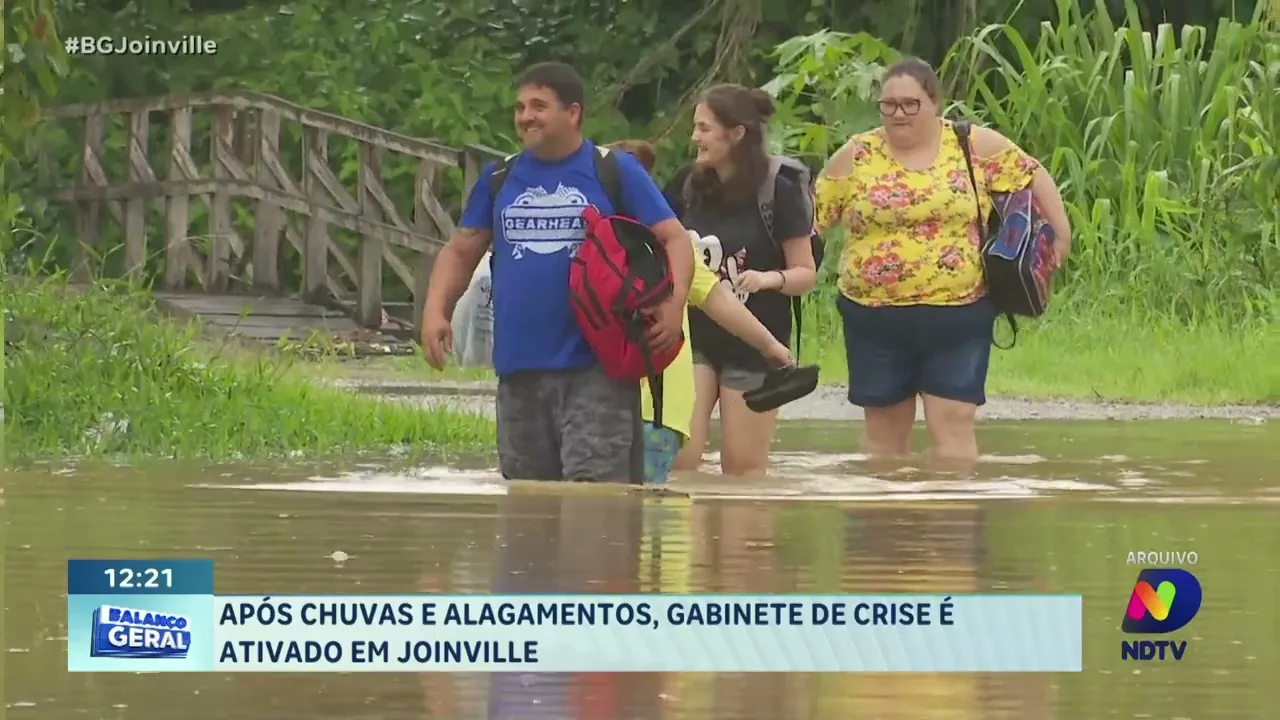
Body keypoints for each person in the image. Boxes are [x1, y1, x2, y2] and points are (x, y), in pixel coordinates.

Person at [420, 62, 695, 483]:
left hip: (596, 369)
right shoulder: (499, 177)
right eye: (520, 107)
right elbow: (460, 250)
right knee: (528, 509)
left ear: (573, 113)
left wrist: (673, 307)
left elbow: (673, 238)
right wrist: (435, 311)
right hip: (518, 372)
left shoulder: (615, 171)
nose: (525, 116)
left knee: (595, 507)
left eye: (538, 106)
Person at [814, 57, 1070, 461]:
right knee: (883, 438)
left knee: (953, 425)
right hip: (874, 318)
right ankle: (884, 522)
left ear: (935, 103)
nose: (899, 113)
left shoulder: (972, 144)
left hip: (959, 315)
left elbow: (1032, 173)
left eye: (910, 104)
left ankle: (950, 522)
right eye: (889, 104)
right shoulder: (858, 154)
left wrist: (1061, 234)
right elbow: (813, 218)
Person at [605, 140, 794, 484]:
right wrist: (771, 347)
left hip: (617, 411)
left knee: (611, 514)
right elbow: (717, 300)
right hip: (649, 413)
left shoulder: (596, 246)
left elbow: (717, 300)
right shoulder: (672, 246)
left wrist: (770, 347)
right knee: (658, 518)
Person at [664, 84, 817, 477]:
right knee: (680, 459)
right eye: (695, 128)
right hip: (693, 336)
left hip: (755, 341)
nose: (694, 137)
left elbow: (805, 274)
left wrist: (769, 279)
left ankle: (740, 539)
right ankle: (685, 538)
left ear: (737, 134)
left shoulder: (778, 188)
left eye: (704, 128)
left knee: (743, 471)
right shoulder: (686, 185)